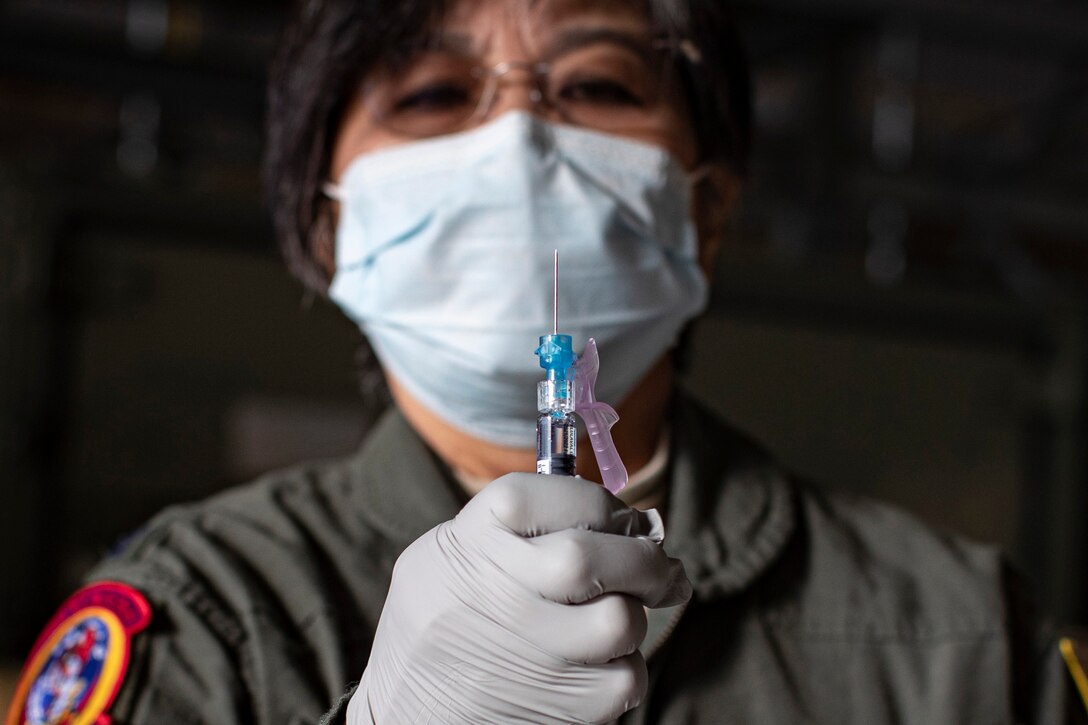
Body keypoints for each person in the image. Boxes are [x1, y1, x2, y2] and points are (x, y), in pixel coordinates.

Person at [6, 0, 1085, 723]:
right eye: (431, 94)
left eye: (598, 88)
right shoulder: (205, 615)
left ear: (705, 210)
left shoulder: (961, 641)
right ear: (327, 225)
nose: (521, 137)